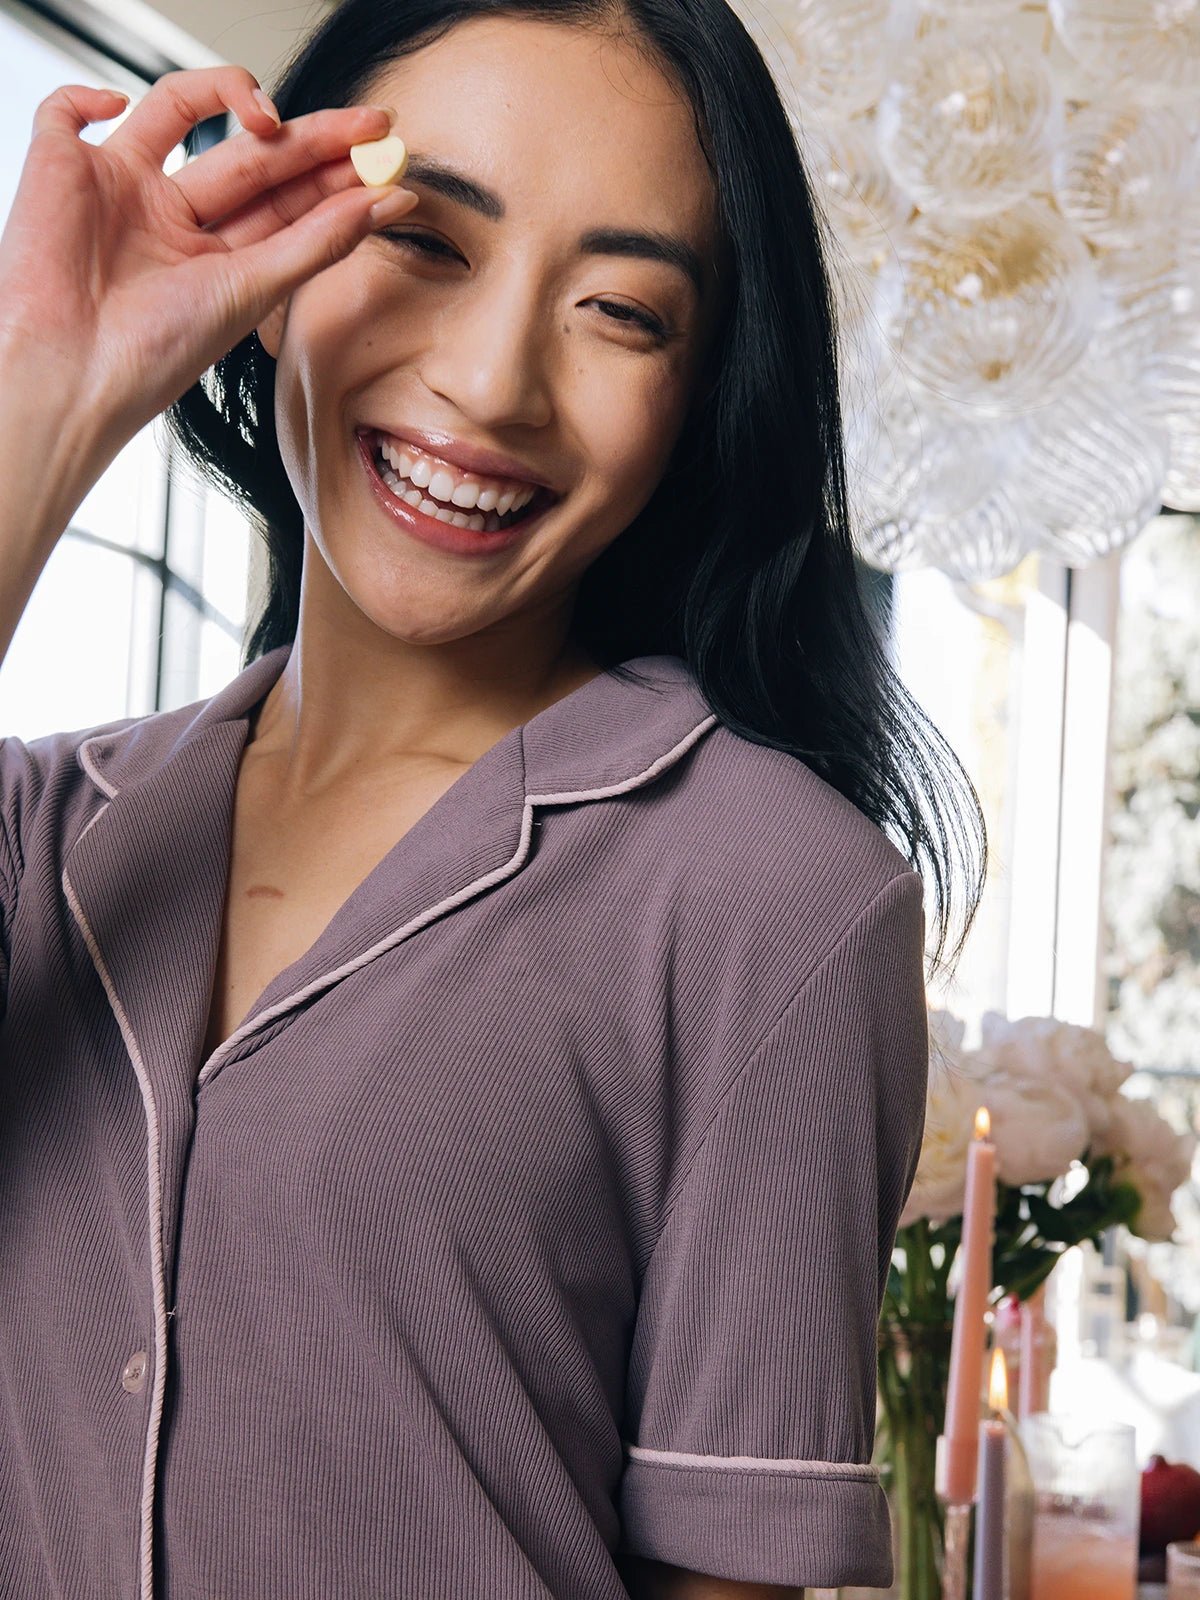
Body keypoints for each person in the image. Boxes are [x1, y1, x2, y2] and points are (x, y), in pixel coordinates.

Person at [0, 0, 987, 1594]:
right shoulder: (37, 837)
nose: (494, 380)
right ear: (272, 251)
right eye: (428, 241)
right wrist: (45, 388)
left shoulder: (775, 903)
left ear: (694, 404)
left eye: (620, 310)